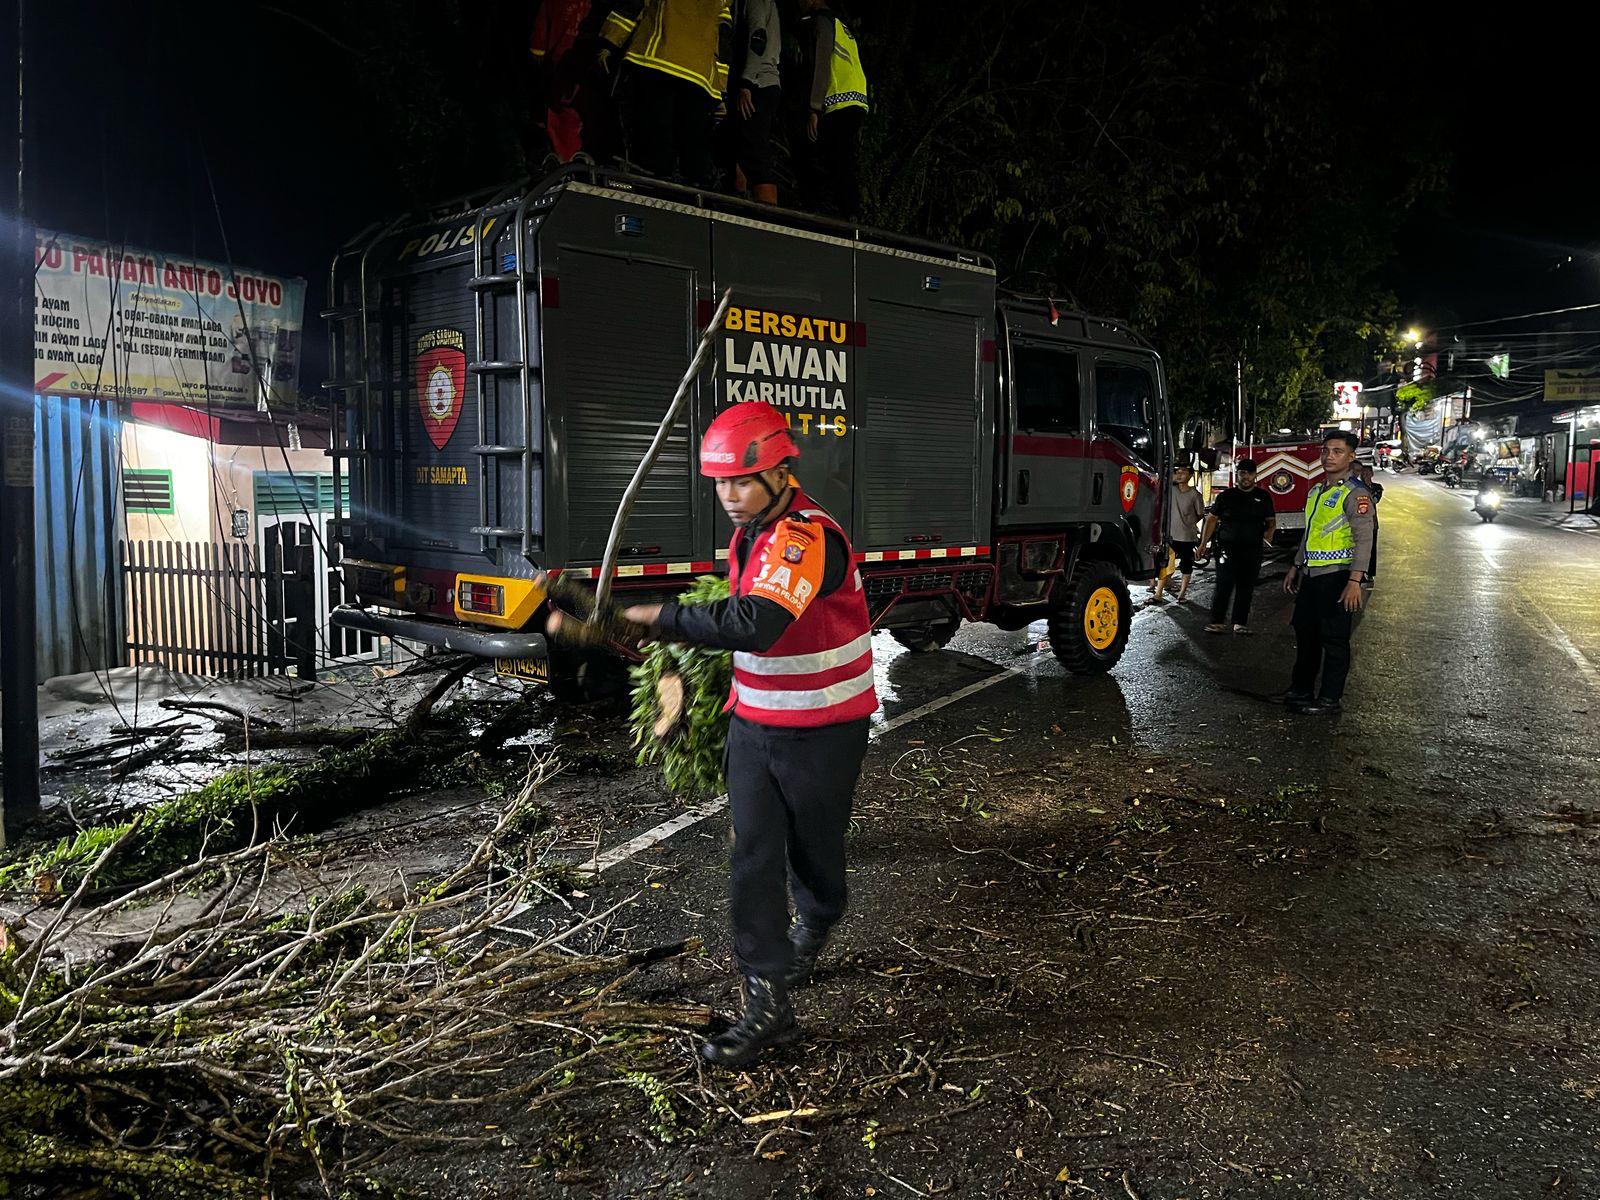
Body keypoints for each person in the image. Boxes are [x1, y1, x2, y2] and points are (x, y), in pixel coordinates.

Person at [555, 401, 876, 1067]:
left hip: (824, 732)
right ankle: (769, 999)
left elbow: (754, 622)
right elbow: (726, 624)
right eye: (721, 483)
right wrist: (625, 626)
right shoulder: (746, 539)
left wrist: (660, 616)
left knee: (815, 853)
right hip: (757, 727)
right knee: (753, 858)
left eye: (742, 481)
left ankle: (816, 920)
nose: (729, 497)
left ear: (783, 472)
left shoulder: (804, 538)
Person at [1282, 431, 1374, 716]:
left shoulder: (1356, 493)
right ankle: (1301, 691)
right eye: (1325, 451)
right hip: (1312, 576)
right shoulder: (1317, 491)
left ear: (1351, 456)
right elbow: (1309, 534)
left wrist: (1354, 581)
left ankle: (1329, 699)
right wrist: (1296, 566)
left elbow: (1365, 539)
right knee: (1305, 635)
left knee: (1334, 640)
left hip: (1337, 577)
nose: (1328, 456)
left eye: (1337, 451)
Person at [598, 0, 732, 187]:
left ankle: (654, 185)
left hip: (656, 59)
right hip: (699, 73)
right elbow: (723, 36)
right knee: (692, 141)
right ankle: (695, 191)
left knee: (653, 135)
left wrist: (610, 42)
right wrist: (720, 88)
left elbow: (632, 5)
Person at [796, 1, 868, 216]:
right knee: (842, 158)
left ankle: (843, 213)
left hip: (837, 100)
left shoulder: (822, 22)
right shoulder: (841, 25)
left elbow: (822, 63)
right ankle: (849, 212)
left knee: (832, 160)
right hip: (856, 100)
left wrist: (814, 108)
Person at [1199, 458, 1276, 633]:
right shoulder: (1226, 496)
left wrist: (1268, 536)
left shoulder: (1263, 497)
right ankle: (1217, 621)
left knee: (1246, 586)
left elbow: (1271, 522)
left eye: (1249, 473)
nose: (1246, 477)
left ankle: (1240, 623)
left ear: (1255, 475)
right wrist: (1203, 543)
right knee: (1224, 583)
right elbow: (1211, 520)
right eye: (1242, 473)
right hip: (1227, 548)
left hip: (1252, 549)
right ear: (1237, 475)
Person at [529, 0, 597, 165]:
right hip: (565, 65)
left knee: (569, 117)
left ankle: (568, 163)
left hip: (584, 65)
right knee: (563, 117)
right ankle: (566, 163)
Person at [728, 0, 783, 203]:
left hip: (759, 83)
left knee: (754, 149)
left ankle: (768, 214)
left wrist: (747, 83)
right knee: (741, 145)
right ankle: (741, 199)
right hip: (762, 81)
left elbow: (757, 36)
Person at [1151, 464, 1205, 604]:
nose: (1180, 474)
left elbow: (1200, 514)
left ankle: (1182, 593)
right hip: (1170, 535)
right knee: (1164, 564)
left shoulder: (1195, 495)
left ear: (1190, 476)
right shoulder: (1171, 491)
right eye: (1177, 472)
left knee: (1186, 565)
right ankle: (1158, 594)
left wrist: (1188, 522)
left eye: (1184, 472)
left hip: (1187, 536)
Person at [1357, 463, 1383, 584]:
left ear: (1372, 474)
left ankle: (1370, 573)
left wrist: (1366, 486)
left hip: (1372, 523)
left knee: (1371, 549)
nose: (1365, 475)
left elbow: (1374, 500)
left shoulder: (1377, 487)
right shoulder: (1355, 487)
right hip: (1358, 524)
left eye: (1367, 473)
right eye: (1363, 473)